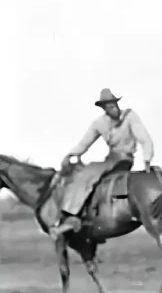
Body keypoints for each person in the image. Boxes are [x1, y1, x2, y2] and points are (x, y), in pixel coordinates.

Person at [49, 88, 154, 238]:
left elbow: (144, 138)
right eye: (108, 107)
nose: (112, 109)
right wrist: (71, 154)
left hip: (125, 159)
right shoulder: (100, 123)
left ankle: (72, 214)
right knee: (84, 172)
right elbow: (84, 144)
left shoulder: (130, 116)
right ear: (104, 109)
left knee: (87, 173)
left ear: (117, 104)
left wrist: (147, 158)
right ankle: (74, 214)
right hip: (111, 159)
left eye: (113, 105)